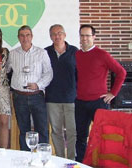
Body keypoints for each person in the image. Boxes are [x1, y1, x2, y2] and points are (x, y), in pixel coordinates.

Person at [75, 24, 126, 162]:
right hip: (80, 102)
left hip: (99, 102)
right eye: (82, 35)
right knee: (80, 137)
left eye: (87, 35)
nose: (84, 38)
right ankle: (81, 163)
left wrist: (113, 93)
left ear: (94, 37)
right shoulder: (78, 55)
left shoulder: (102, 55)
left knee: (103, 135)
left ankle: (105, 163)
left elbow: (122, 72)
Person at [8, 25, 53, 151]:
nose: (25, 38)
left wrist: (38, 85)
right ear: (18, 37)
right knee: (24, 130)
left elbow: (49, 73)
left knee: (42, 129)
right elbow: (6, 71)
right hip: (19, 97)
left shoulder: (42, 53)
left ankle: (42, 158)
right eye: (22, 35)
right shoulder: (12, 54)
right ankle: (25, 159)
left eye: (27, 35)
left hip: (37, 96)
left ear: (32, 36)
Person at [45, 24, 77, 159]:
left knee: (72, 132)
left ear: (64, 35)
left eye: (59, 33)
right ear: (50, 36)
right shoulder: (45, 52)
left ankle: (70, 159)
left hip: (71, 99)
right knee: (56, 132)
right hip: (52, 99)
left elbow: (80, 74)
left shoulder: (75, 51)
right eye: (53, 34)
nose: (57, 36)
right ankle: (59, 158)